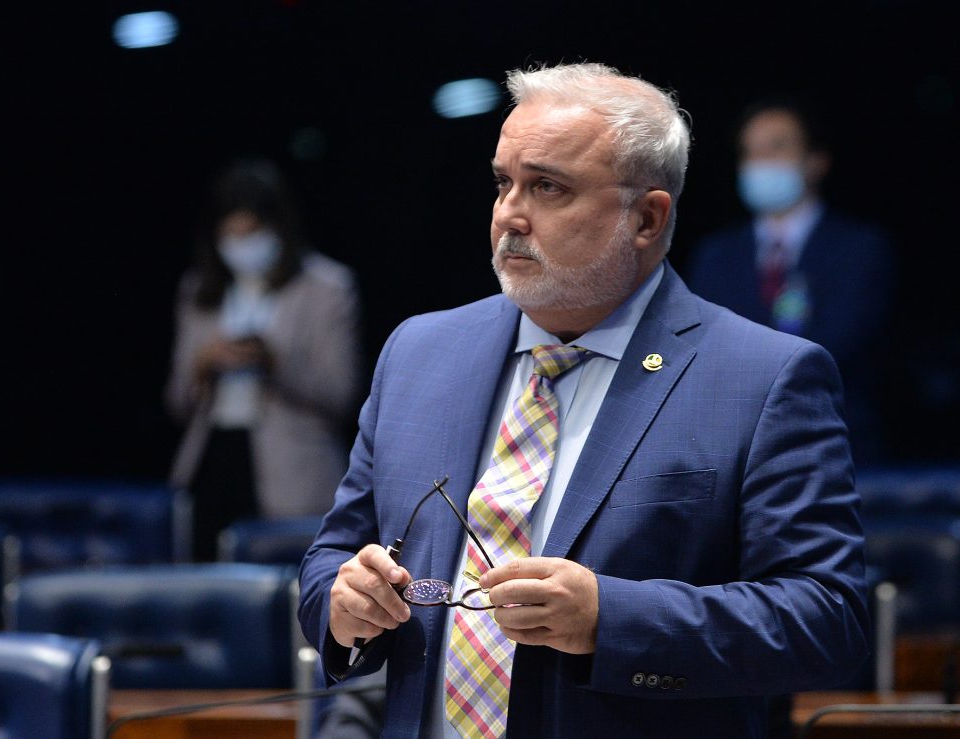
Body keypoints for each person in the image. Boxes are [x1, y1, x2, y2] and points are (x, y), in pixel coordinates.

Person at [298, 62, 869, 738]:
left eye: (547, 186)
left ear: (647, 218)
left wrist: (610, 619)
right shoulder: (419, 352)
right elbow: (330, 557)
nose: (510, 212)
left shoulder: (764, 376)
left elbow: (828, 616)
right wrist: (342, 601)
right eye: (503, 182)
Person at [165, 158, 363, 561]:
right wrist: (204, 364)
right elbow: (176, 401)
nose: (242, 246)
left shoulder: (326, 288)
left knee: (290, 589)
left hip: (292, 469)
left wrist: (274, 361)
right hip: (212, 460)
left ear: (278, 229)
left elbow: (341, 395)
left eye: (252, 232)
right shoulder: (199, 290)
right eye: (231, 234)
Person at [686, 97, 895, 466]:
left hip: (837, 448)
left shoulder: (859, 248)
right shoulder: (716, 256)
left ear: (816, 160)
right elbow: (702, 348)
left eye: (776, 147)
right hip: (737, 453)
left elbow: (840, 344)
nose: (760, 163)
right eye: (750, 152)